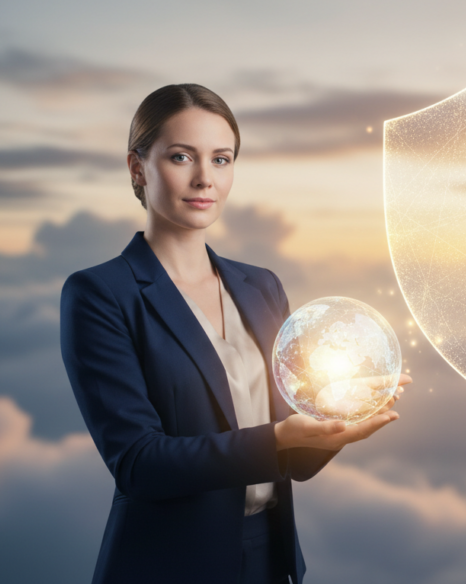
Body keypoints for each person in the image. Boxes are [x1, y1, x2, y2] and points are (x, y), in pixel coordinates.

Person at [60, 83, 408, 584]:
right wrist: (279, 437)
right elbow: (138, 463)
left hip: (270, 558)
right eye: (182, 157)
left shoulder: (261, 286)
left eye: (221, 160)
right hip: (166, 566)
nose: (204, 178)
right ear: (137, 168)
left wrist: (337, 426)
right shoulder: (100, 293)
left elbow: (294, 462)